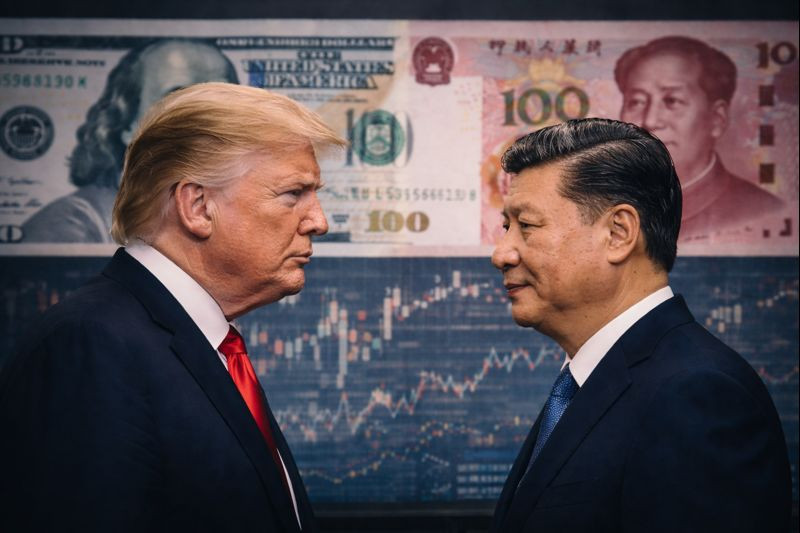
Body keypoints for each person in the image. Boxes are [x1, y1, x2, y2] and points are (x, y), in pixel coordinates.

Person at [0, 82, 346, 532]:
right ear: (197, 206)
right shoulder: (90, 345)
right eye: (293, 193)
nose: (319, 221)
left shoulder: (191, 340)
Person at [489, 118, 790, 532]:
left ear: (618, 233)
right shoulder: (586, 382)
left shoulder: (697, 396)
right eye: (507, 227)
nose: (501, 253)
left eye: (527, 226)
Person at [21, 39, 239, 243]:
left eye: (219, 100)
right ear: (127, 122)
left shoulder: (236, 216)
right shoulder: (68, 226)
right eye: (177, 100)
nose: (204, 118)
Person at [614, 36, 783, 239]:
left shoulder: (763, 212)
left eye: (672, 101)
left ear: (717, 119)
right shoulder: (599, 203)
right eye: (636, 102)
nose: (650, 121)